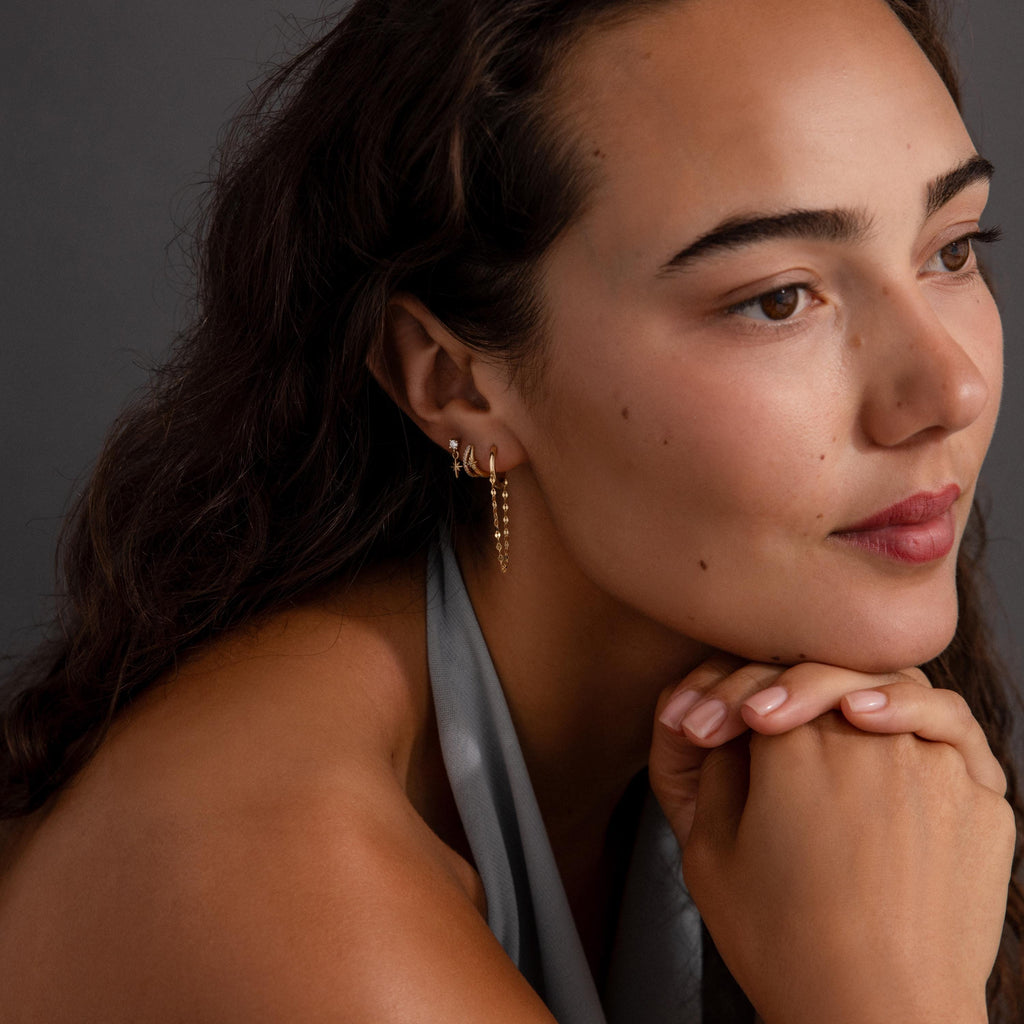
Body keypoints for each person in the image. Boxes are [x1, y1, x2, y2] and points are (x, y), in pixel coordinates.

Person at [0, 0, 1020, 1020]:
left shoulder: (793, 741)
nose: (948, 389)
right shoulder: (273, 883)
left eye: (951, 250)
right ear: (455, 383)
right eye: (778, 298)